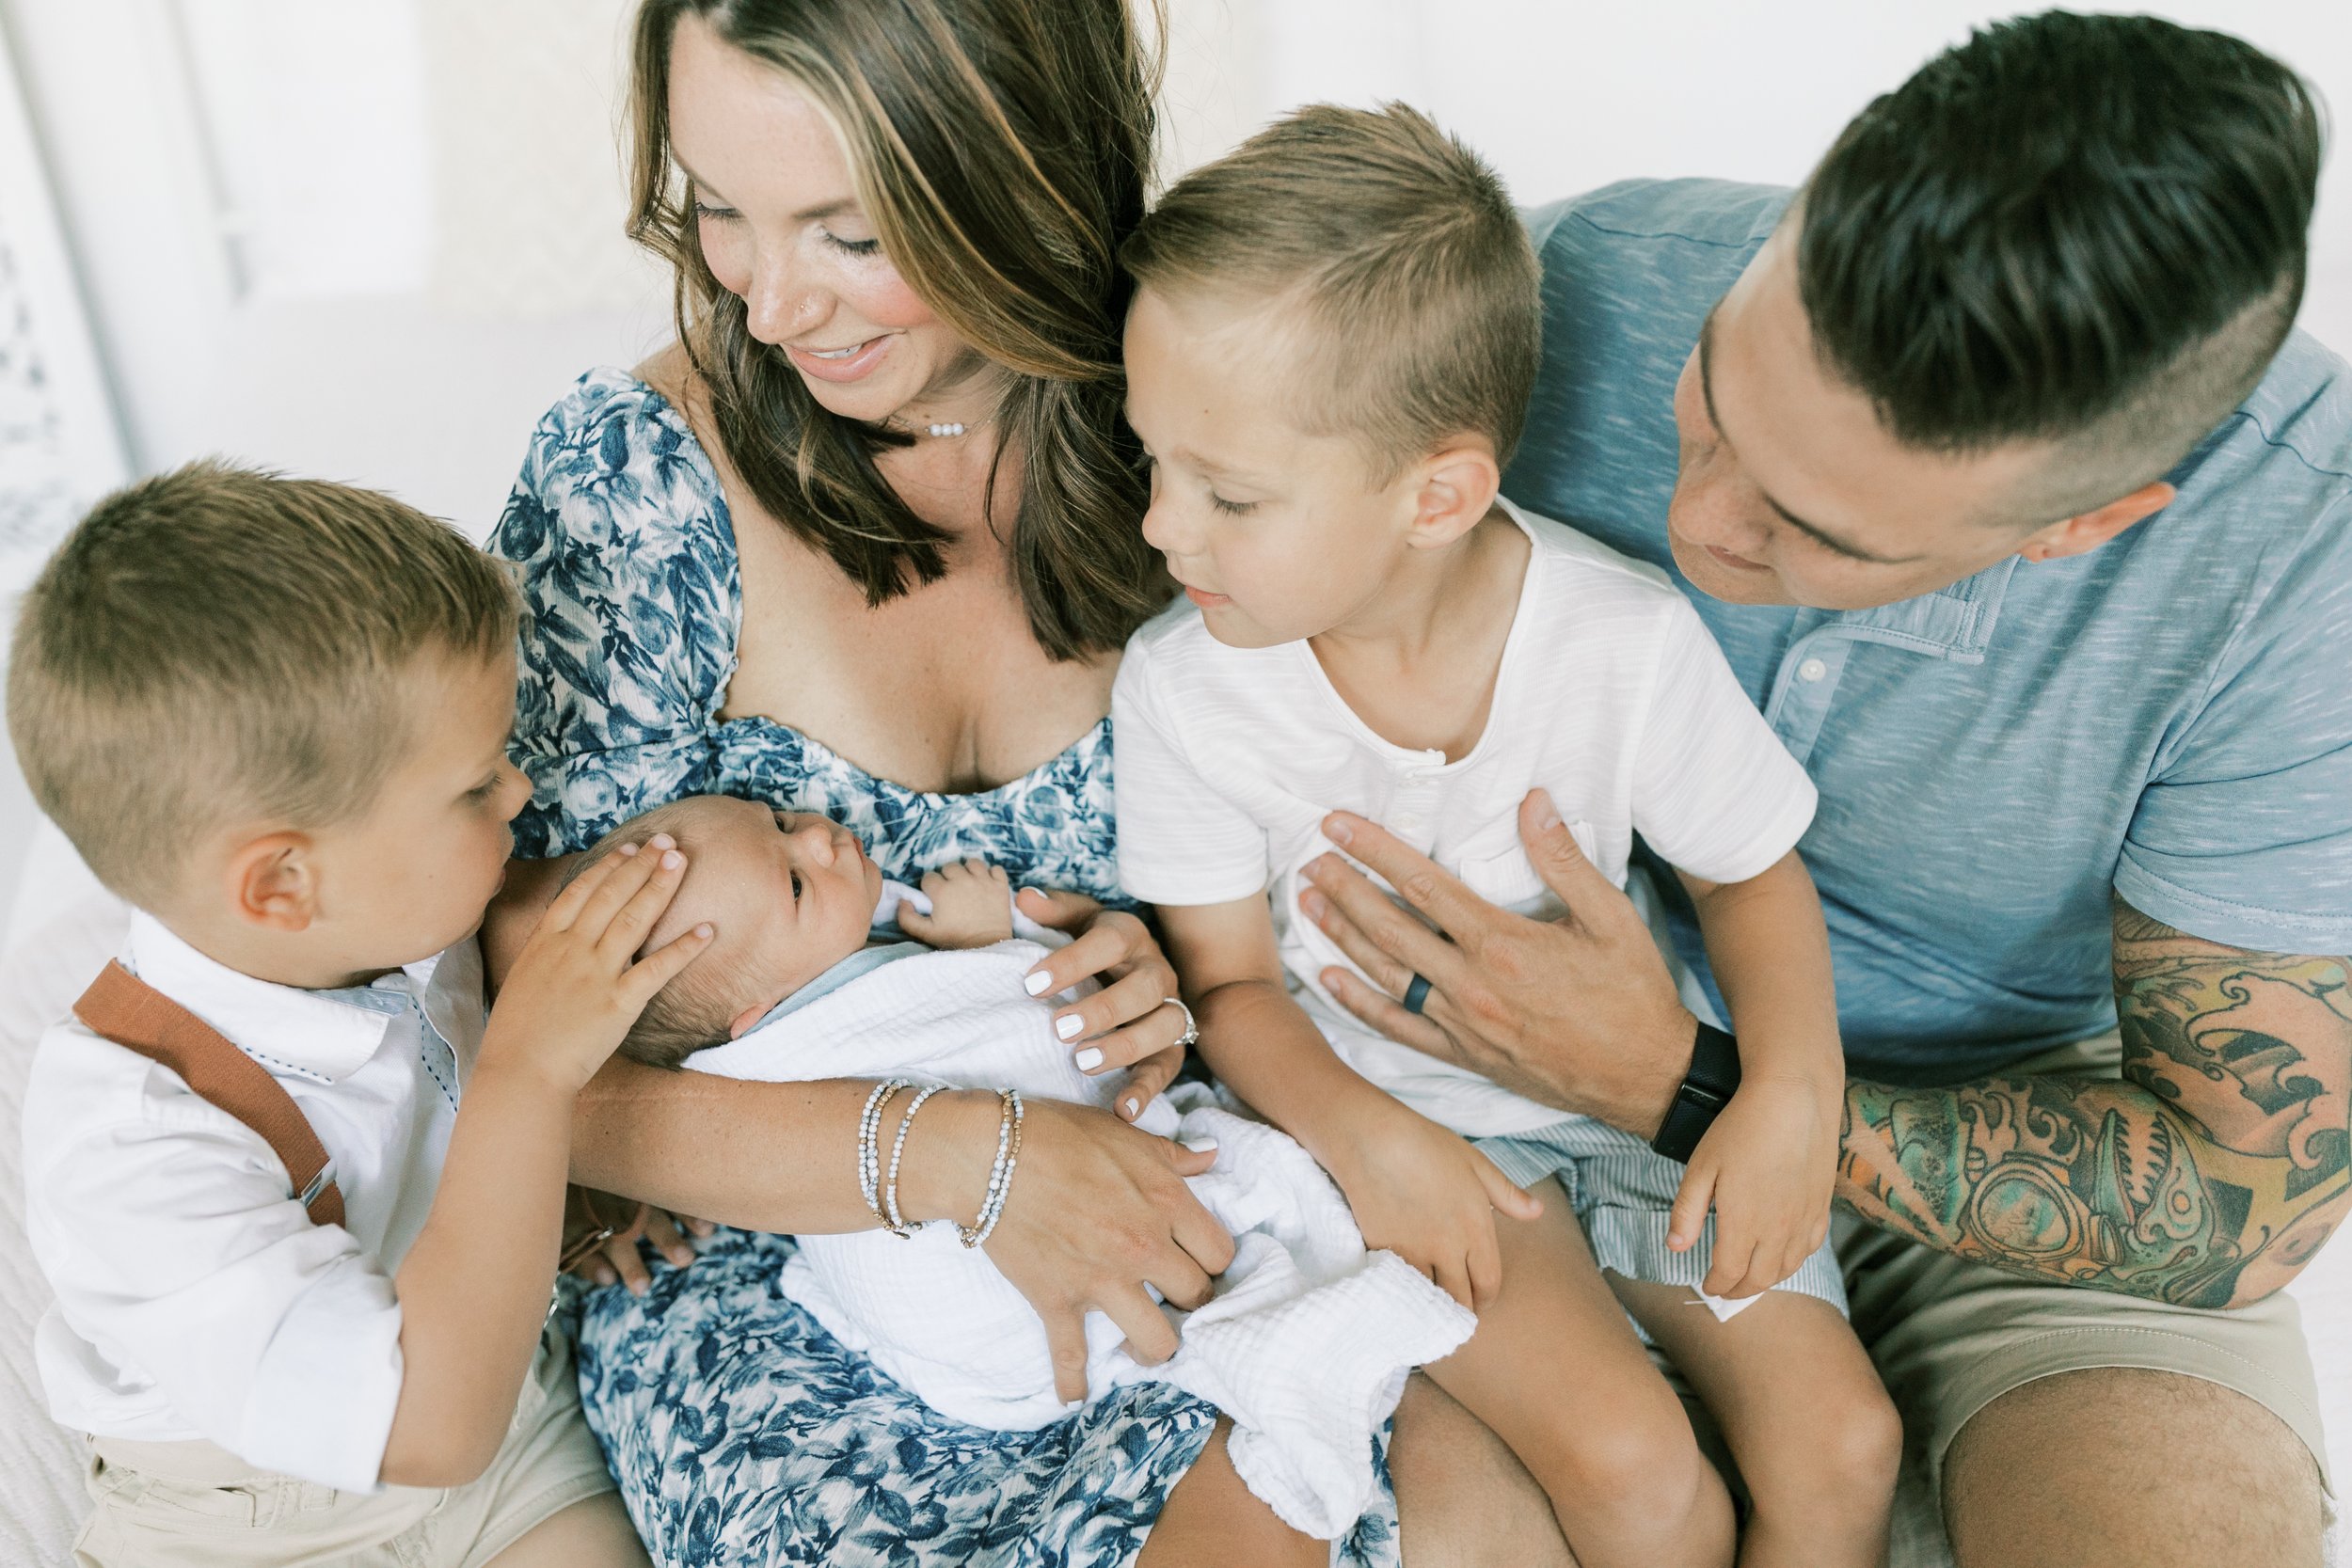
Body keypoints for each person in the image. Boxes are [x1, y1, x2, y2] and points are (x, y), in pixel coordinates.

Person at [1290, 14, 2346, 1567]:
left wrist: (1693, 1080)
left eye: (1827, 537)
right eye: (1712, 395)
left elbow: (2247, 1198)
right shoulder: (1565, 277)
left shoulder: (2304, 572)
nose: (1699, 522)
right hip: (1493, 1084)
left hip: (2000, 1132)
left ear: (2084, 523)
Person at [485, 3, 1487, 1563]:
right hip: (801, 1286)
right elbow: (507, 1045)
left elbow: (1313, 856)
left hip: (1175, 1196)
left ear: (1018, 175)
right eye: (720, 214)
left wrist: (1149, 965)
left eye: (847, 231)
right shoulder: (639, 495)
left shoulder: (1212, 433)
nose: (766, 304)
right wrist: (955, 1158)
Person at [1112, 103, 1899, 1568]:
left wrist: (1792, 1088)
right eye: (1151, 457)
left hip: (1632, 1114)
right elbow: (1229, 993)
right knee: (1643, 1477)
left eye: (1227, 492)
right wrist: (1375, 1141)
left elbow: (1750, 873)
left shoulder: (1623, 640)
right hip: (1405, 1140)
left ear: (1440, 493)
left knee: (1845, 1443)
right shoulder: (1188, 688)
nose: (1164, 527)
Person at [9, 464, 712, 1568]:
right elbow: (426, 1421)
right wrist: (531, 1065)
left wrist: (562, 1205)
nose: (522, 793)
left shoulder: (404, 918)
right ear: (282, 885)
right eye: (475, 785)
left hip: (502, 1430)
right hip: (240, 1513)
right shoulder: (128, 1140)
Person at [485, 794, 1470, 1544]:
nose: (821, 837)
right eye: (794, 878)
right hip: (941, 1310)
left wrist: (1081, 953)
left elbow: (1007, 1005)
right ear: (750, 1023)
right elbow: (963, 1010)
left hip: (1071, 1266)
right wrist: (996, 950)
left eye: (783, 819)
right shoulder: (771, 1047)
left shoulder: (840, 941)